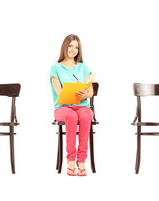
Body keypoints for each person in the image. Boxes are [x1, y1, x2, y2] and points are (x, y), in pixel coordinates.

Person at [50, 34, 94, 176]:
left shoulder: (83, 67)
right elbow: (59, 92)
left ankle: (81, 161)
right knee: (71, 115)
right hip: (62, 108)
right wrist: (72, 89)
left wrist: (85, 93)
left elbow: (91, 92)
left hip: (82, 106)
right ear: (65, 46)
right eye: (70, 46)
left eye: (76, 47)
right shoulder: (55, 68)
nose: (73, 49)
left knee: (86, 114)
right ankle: (70, 160)